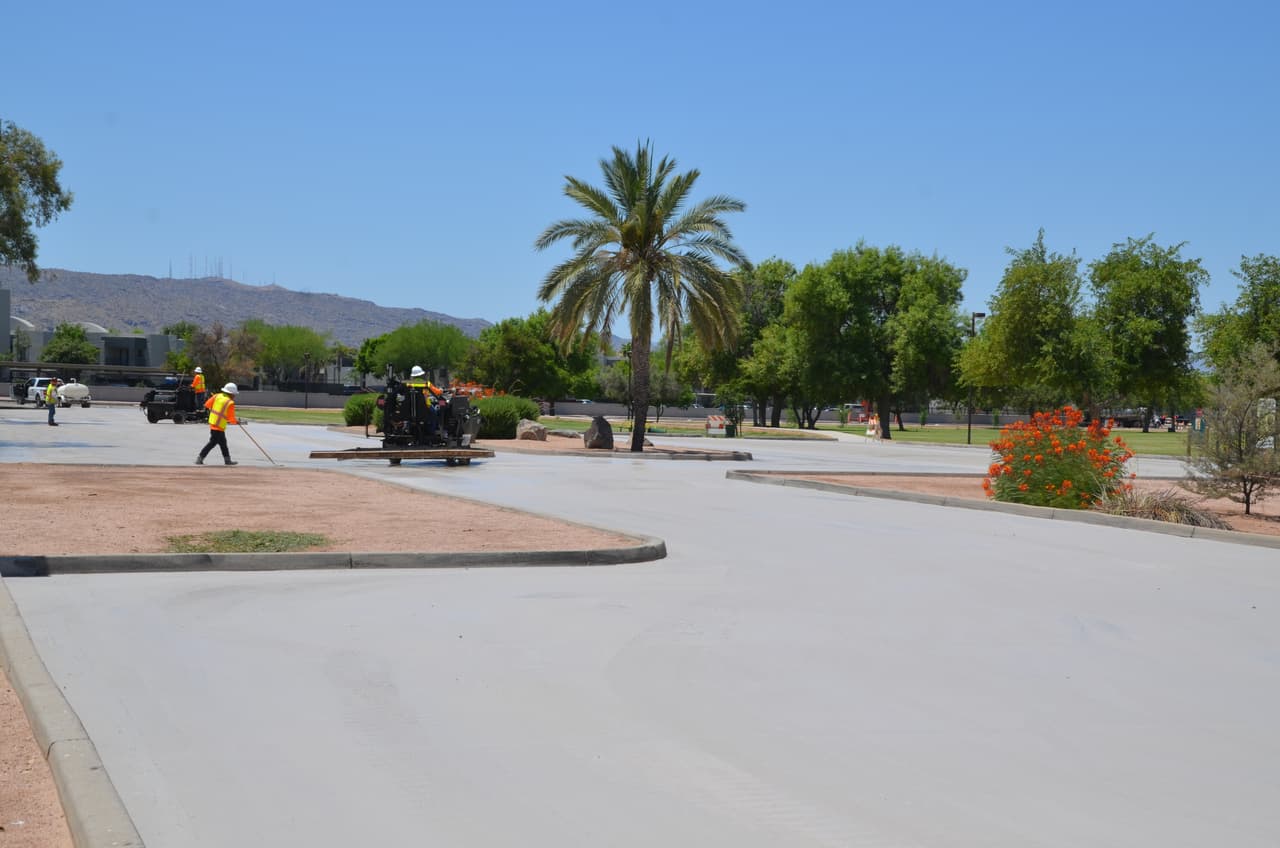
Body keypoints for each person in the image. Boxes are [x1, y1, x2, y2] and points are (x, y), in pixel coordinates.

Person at [196, 383, 239, 465]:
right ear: (231, 393)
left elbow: (207, 405)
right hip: (219, 426)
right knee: (212, 443)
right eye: (234, 394)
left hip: (213, 423)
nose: (235, 396)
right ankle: (200, 458)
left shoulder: (217, 396)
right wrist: (236, 422)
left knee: (223, 443)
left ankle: (227, 460)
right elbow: (231, 418)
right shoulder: (230, 402)